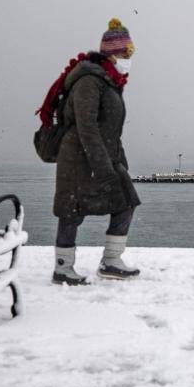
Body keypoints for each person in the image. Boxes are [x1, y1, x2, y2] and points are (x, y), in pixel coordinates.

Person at [51, 18, 141, 284]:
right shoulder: (89, 81)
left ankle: (111, 261)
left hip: (104, 156)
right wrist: (102, 166)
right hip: (78, 159)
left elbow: (110, 129)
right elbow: (86, 126)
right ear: (114, 54)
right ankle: (62, 268)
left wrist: (118, 161)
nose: (129, 58)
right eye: (127, 53)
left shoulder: (110, 82)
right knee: (71, 210)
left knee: (126, 201)